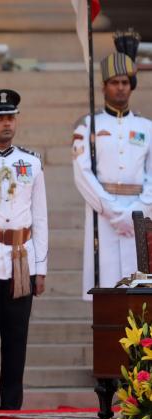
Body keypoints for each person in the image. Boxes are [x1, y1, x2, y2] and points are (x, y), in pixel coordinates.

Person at [0, 89, 48, 410]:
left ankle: (12, 408)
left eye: (10, 117)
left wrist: (40, 266)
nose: (6, 123)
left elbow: (40, 217)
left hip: (21, 258)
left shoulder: (30, 161)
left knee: (17, 339)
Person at [72, 31, 152, 300]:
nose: (120, 87)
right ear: (104, 85)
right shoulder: (88, 126)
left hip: (141, 216)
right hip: (103, 215)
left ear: (132, 86)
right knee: (106, 291)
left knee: (139, 291)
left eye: (125, 82)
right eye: (114, 82)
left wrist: (140, 209)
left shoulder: (146, 128)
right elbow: (82, 173)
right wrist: (112, 210)